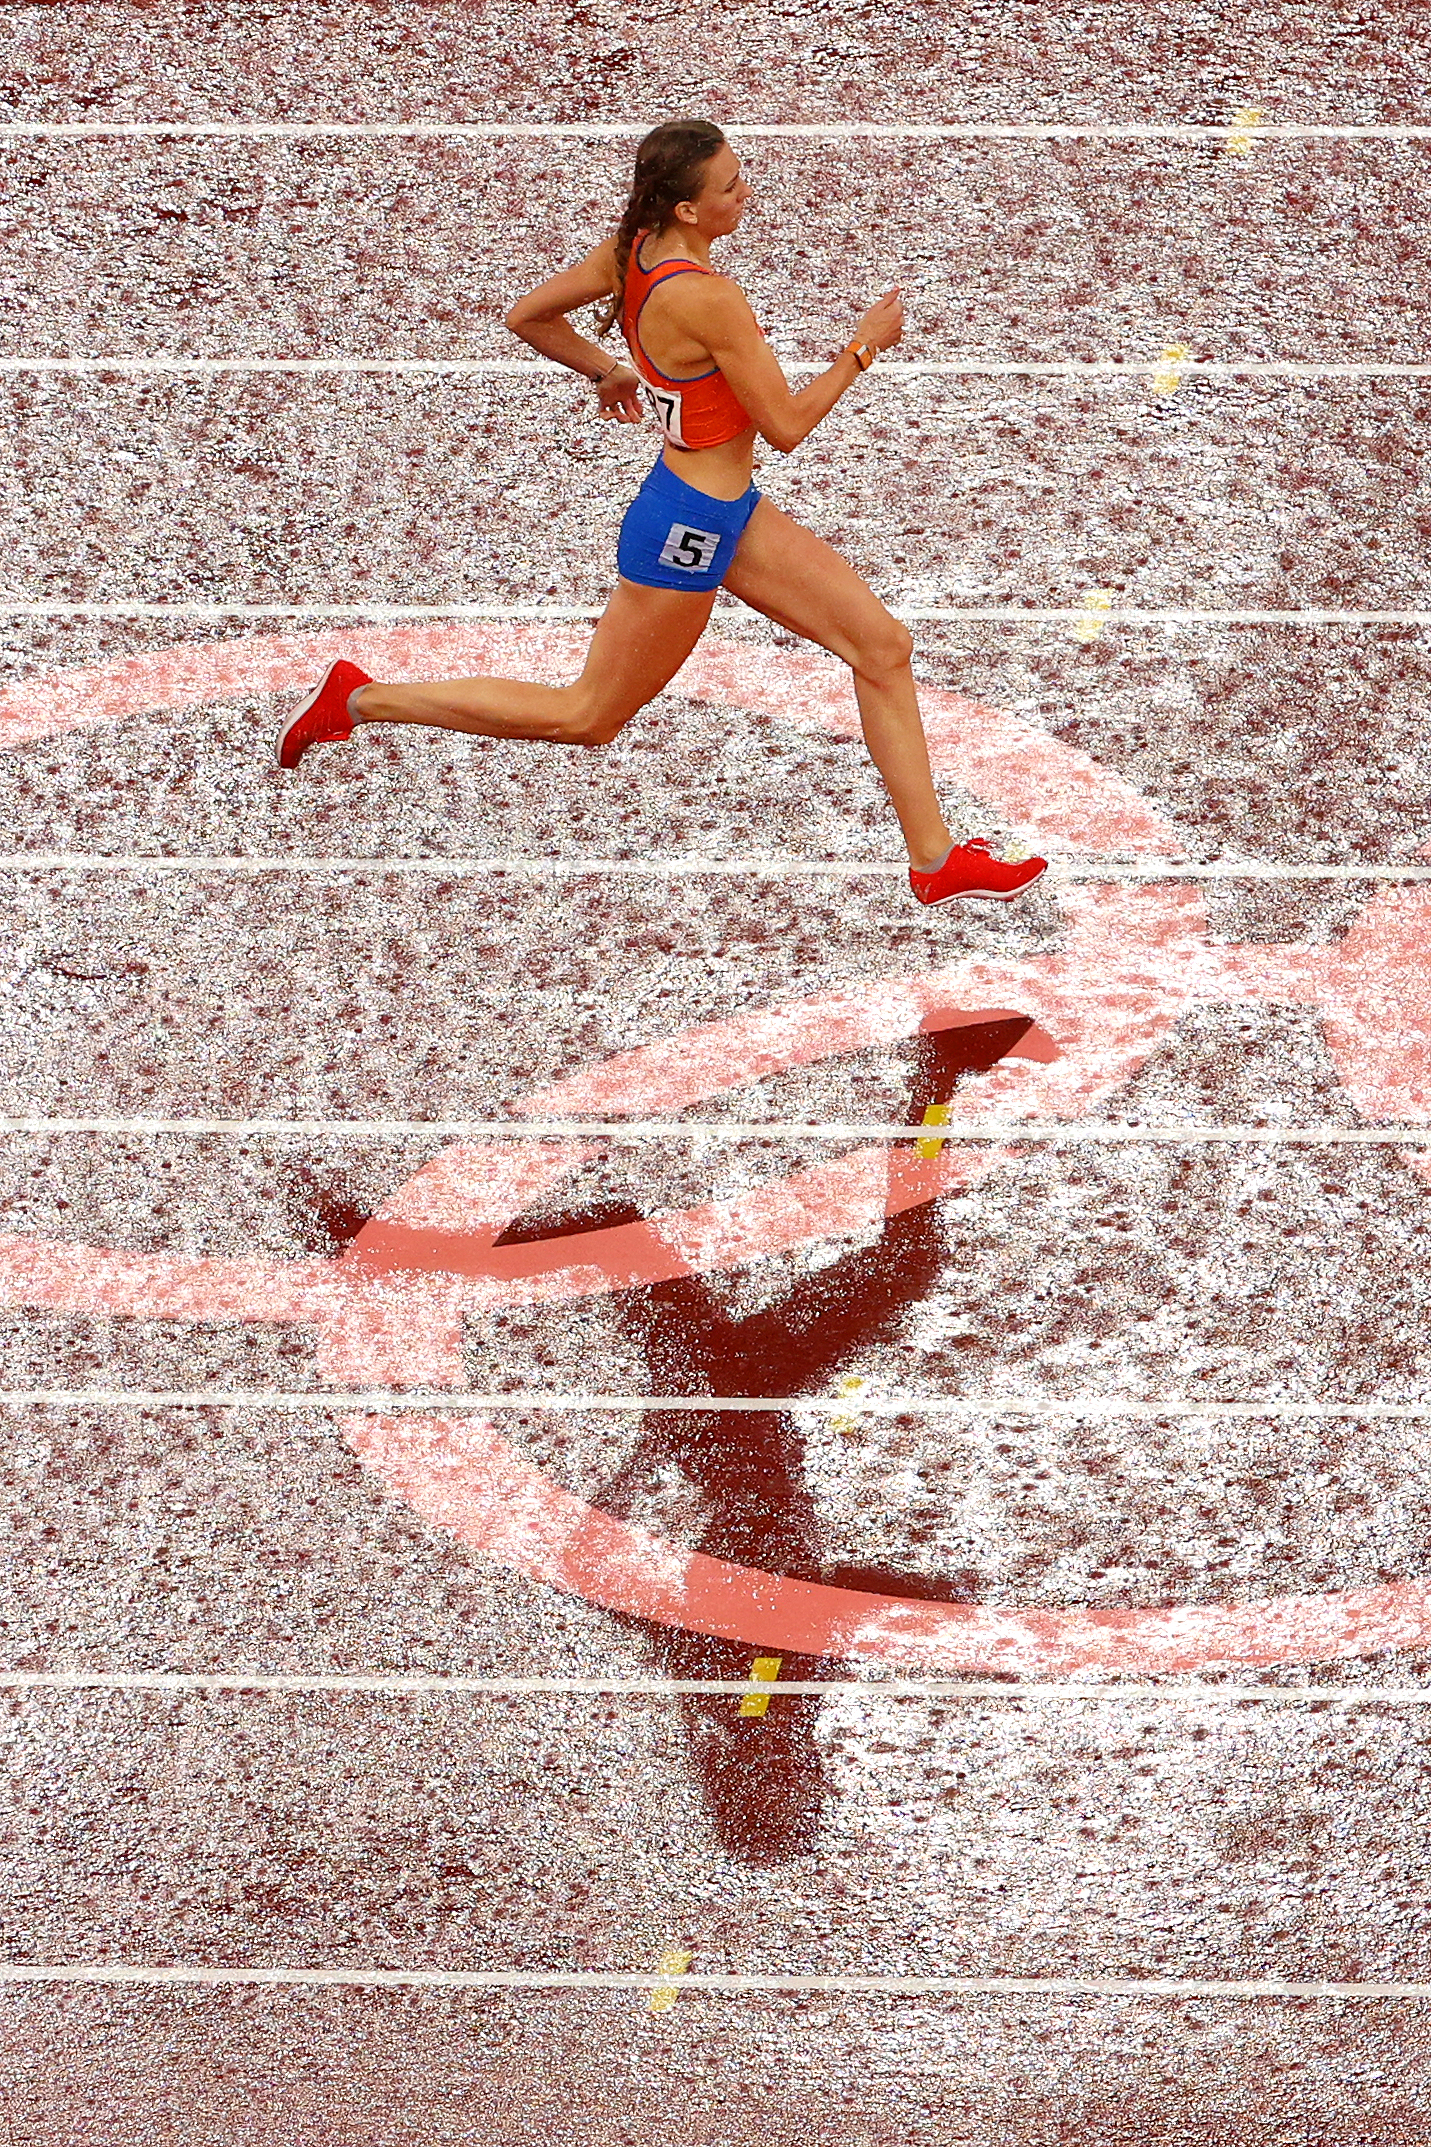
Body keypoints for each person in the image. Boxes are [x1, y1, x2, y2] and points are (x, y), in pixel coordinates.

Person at [277, 118, 1047, 906]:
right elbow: (785, 427)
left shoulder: (631, 251)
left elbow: (528, 315)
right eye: (729, 187)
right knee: (586, 715)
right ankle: (359, 699)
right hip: (688, 527)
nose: (745, 193)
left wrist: (606, 370)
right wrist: (862, 348)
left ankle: (933, 860)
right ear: (686, 209)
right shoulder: (710, 300)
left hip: (722, 509)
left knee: (881, 647)